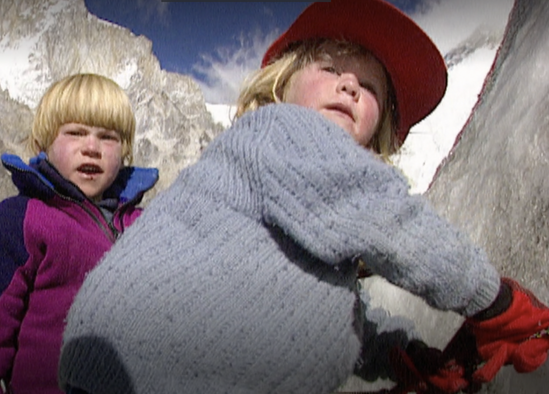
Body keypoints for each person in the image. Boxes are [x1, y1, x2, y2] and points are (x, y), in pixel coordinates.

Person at [58, 1, 549, 394]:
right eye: (331, 65)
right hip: (145, 365)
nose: (351, 84)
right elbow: (392, 222)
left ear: (382, 129)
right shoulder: (278, 131)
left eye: (372, 85)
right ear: (281, 83)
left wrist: (402, 354)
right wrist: (496, 302)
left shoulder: (321, 214)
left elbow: (342, 309)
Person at [0, 73, 159, 394]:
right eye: (75, 133)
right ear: (43, 144)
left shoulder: (150, 229)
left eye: (108, 137)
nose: (91, 147)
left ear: (126, 151)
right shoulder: (15, 224)